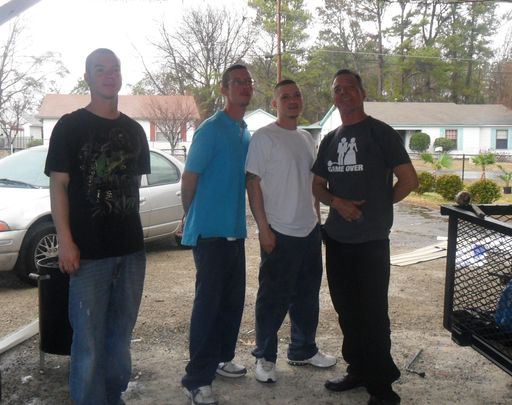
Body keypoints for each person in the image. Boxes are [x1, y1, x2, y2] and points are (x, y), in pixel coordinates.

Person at [44, 48, 150, 405]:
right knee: (87, 340)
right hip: (87, 255)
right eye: (100, 69)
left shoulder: (134, 131)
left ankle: (113, 396)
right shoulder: (69, 126)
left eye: (114, 69)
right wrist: (66, 241)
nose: (109, 75)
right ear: (87, 77)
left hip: (131, 252)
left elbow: (132, 188)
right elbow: (58, 185)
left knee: (120, 336)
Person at [312, 69, 418, 405]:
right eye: (337, 89)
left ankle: (382, 388)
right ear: (333, 97)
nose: (343, 93)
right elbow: (317, 186)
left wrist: (379, 207)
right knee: (347, 311)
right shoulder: (330, 139)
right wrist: (337, 202)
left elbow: (409, 180)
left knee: (373, 314)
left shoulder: (381, 133)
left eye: (349, 88)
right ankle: (357, 369)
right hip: (337, 240)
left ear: (362, 93)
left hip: (371, 242)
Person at [245, 79, 336, 384]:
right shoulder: (264, 137)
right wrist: (263, 229)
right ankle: (265, 357)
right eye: (285, 97)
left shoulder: (306, 138)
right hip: (279, 231)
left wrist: (317, 220)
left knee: (307, 296)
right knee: (273, 299)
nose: (293, 100)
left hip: (309, 230)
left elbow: (314, 184)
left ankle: (303, 349)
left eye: (297, 95)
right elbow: (253, 183)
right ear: (275, 103)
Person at [180, 64, 253, 405]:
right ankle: (196, 379)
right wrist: (189, 217)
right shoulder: (210, 130)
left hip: (235, 232)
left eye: (248, 82)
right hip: (209, 235)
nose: (244, 87)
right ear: (224, 89)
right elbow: (189, 178)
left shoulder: (244, 132)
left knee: (232, 302)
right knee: (208, 308)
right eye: (237, 82)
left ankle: (222, 358)